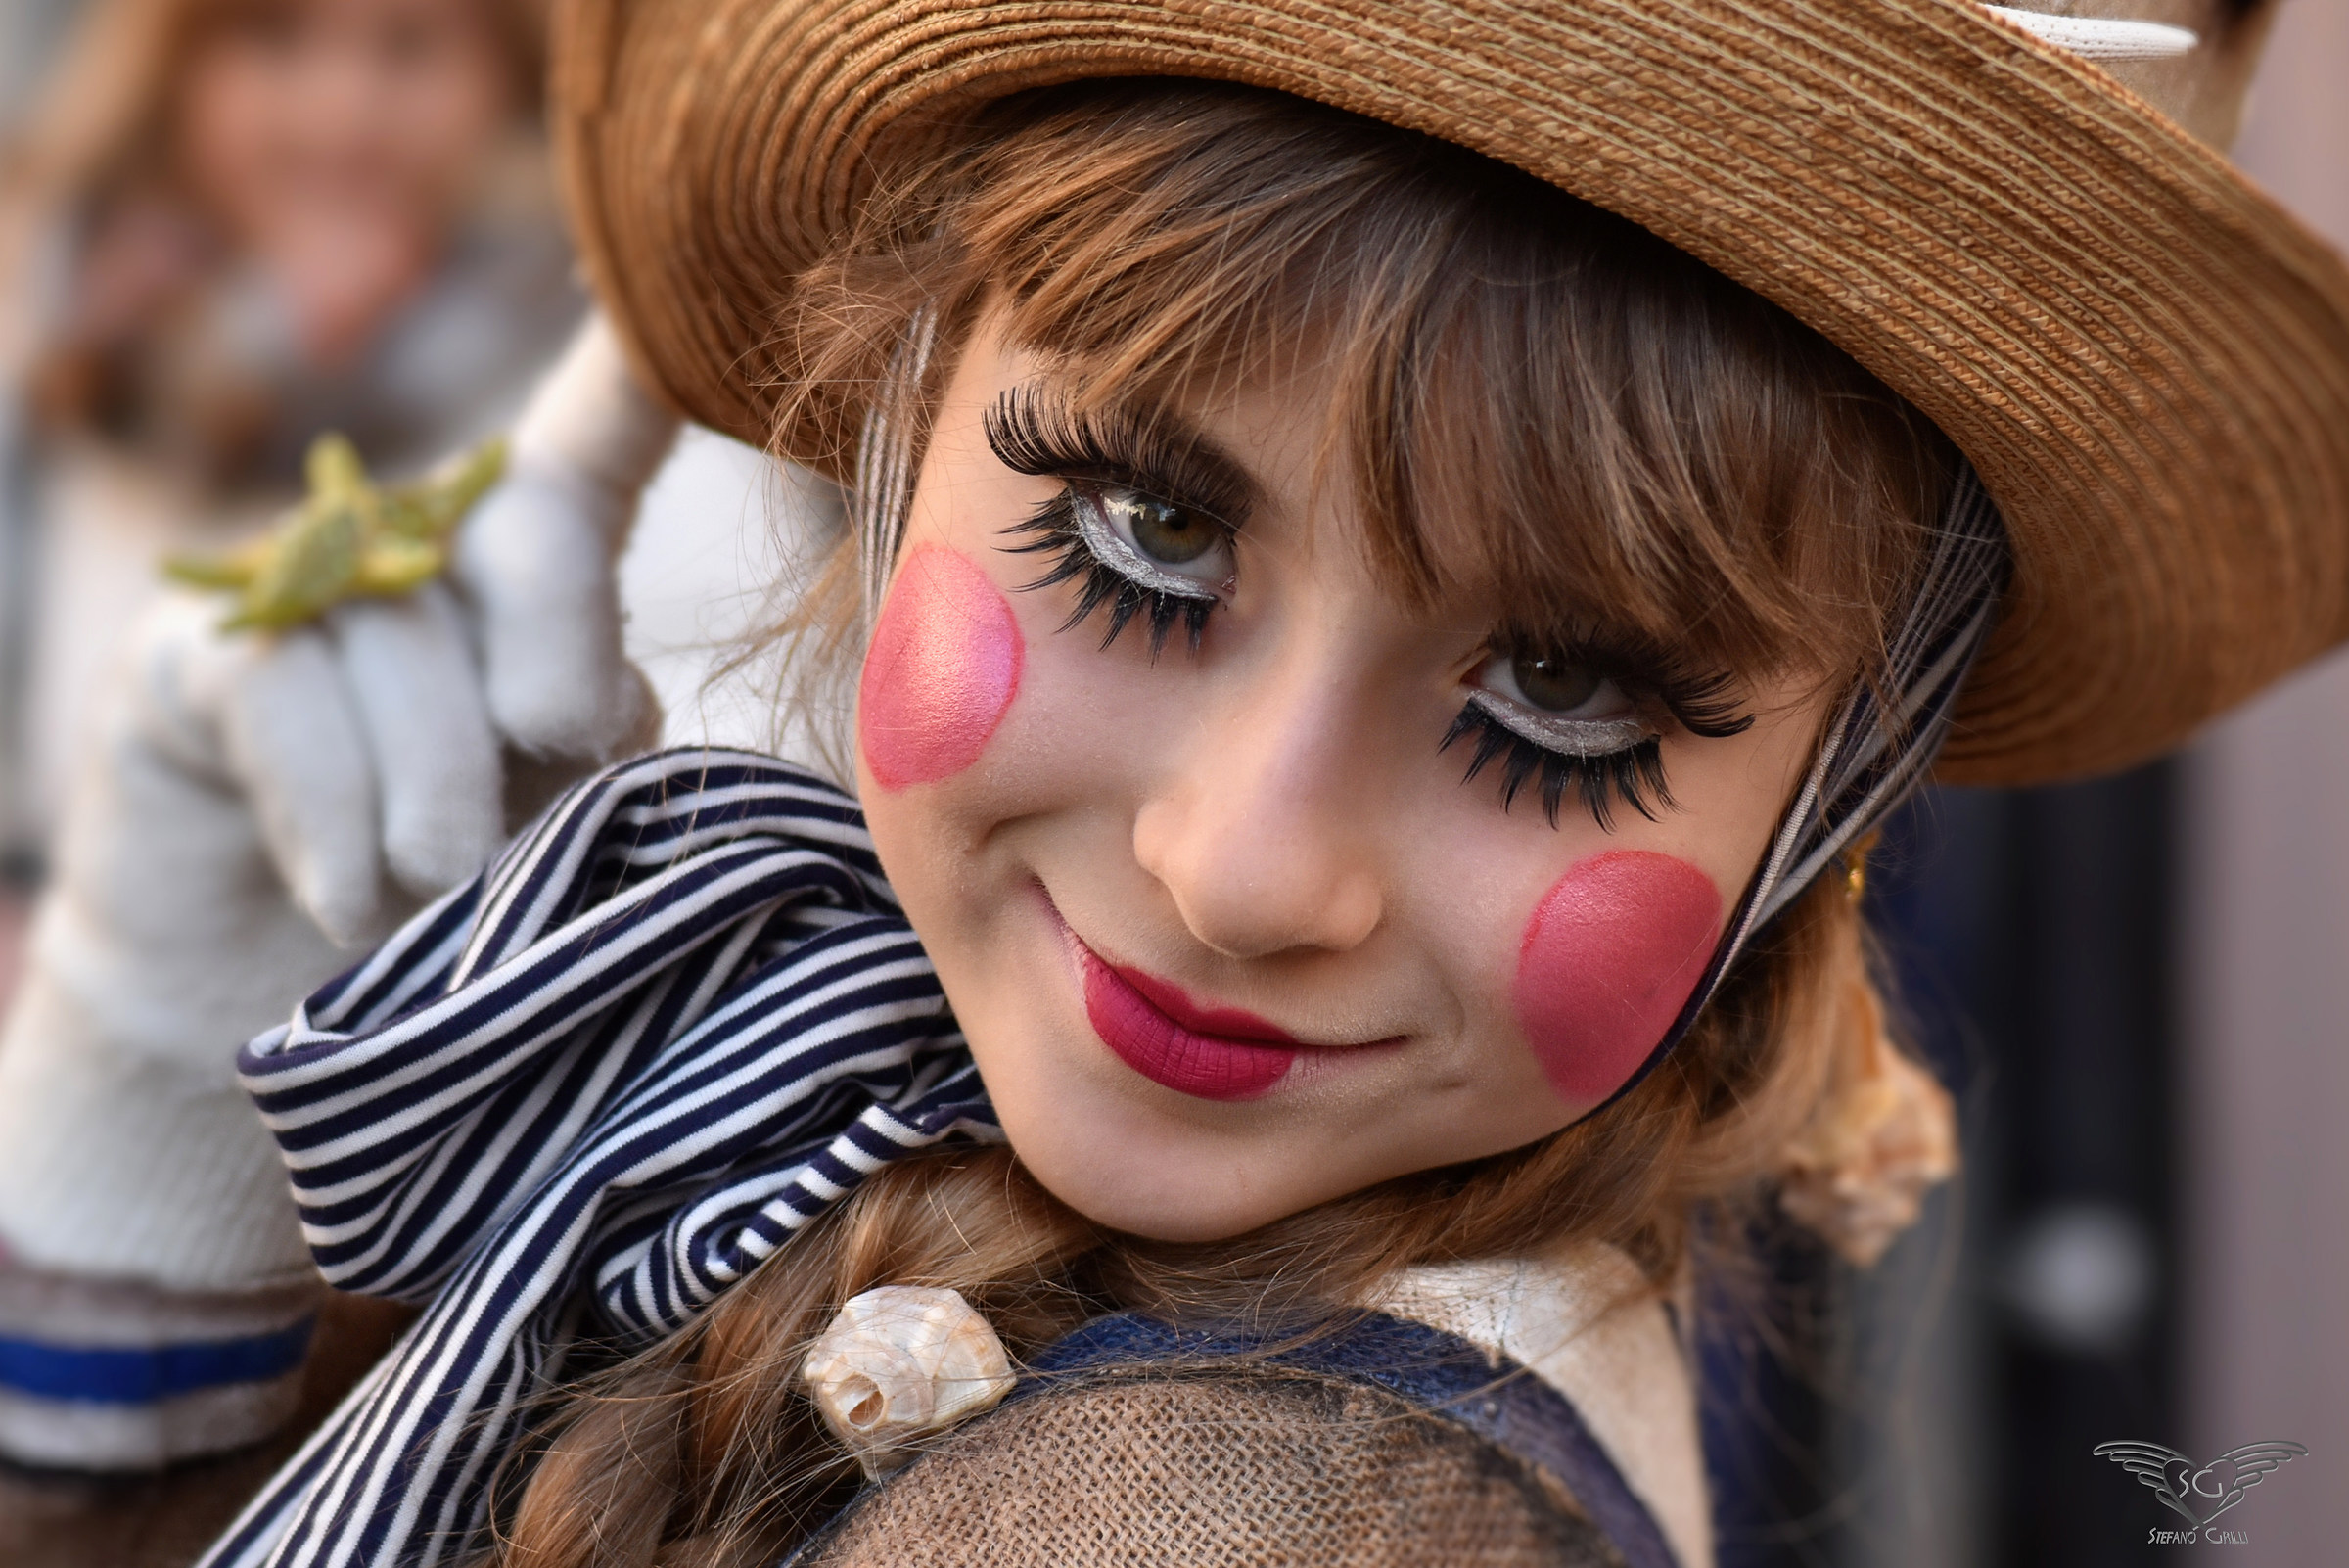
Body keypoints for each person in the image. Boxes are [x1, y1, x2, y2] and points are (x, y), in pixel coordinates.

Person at [40, 0, 2338, 1562]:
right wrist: (153, 1101)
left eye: (1564, 692)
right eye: (1144, 534)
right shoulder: (734, 1097)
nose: (1241, 868)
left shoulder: (1241, 1514)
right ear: (892, 426)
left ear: (1837, 790)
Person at [0, 0, 600, 1472]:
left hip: (359, 1013)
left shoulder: (554, 349)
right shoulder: (82, 299)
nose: (344, 109)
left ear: (505, 80)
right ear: (176, 61)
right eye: (275, 43)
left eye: (410, 52)